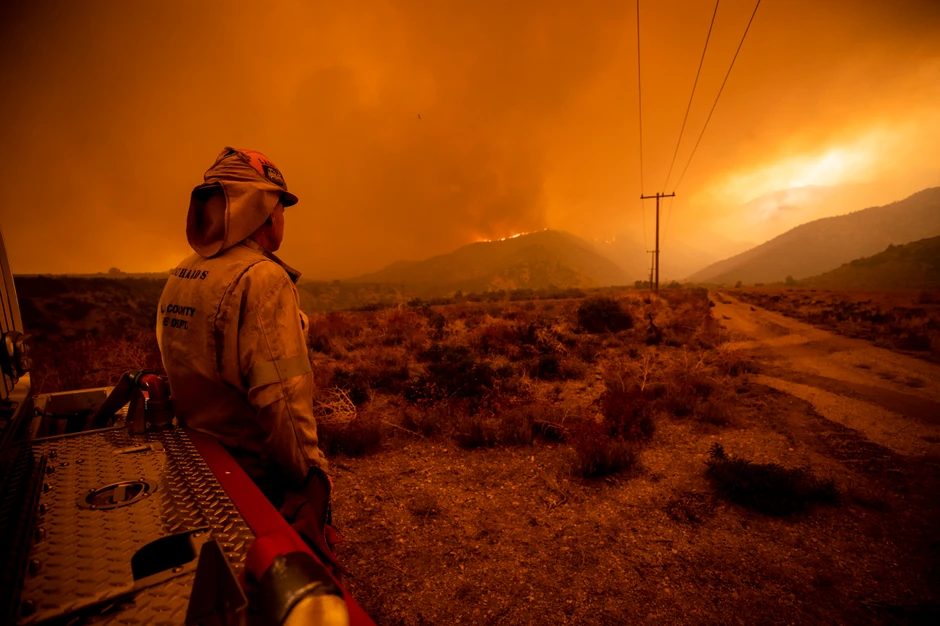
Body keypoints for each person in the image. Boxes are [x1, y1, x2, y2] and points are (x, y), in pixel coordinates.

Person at [157, 147, 344, 574]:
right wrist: (311, 477)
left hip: (200, 464)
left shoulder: (182, 274)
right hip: (255, 479)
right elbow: (282, 401)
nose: (282, 217)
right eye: (279, 204)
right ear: (259, 210)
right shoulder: (262, 279)